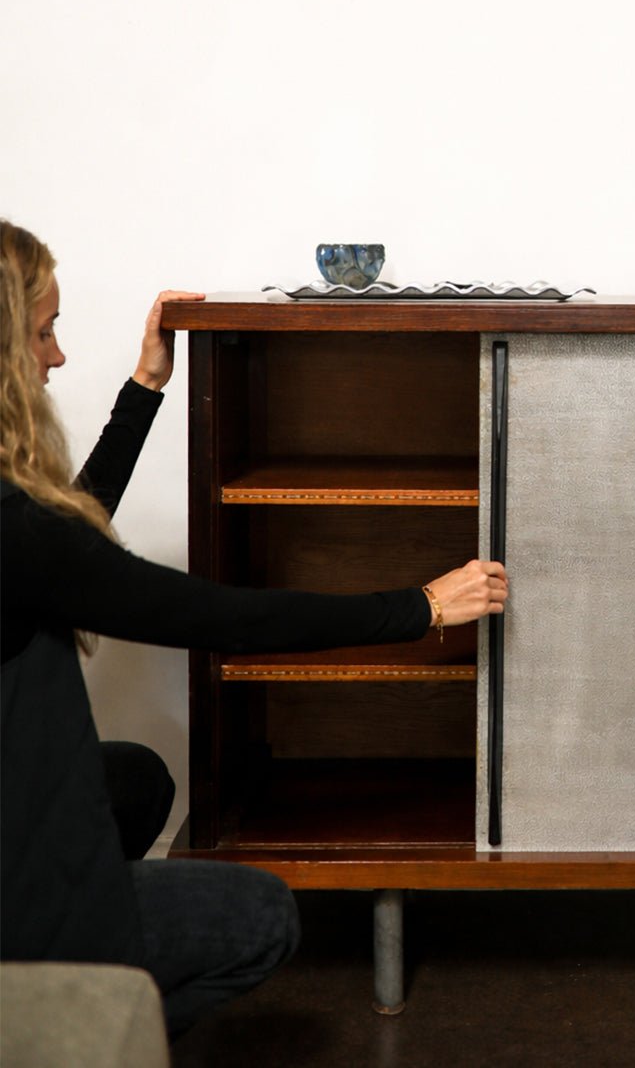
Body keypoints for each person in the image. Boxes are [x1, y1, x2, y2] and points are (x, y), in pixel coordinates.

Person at [0, 220, 508, 1037]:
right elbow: (212, 613)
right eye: (42, 331)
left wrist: (145, 386)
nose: (56, 356)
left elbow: (66, 543)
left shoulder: (19, 528)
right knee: (261, 916)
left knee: (135, 780)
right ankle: (67, 1023)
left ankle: (69, 955)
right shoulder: (11, 530)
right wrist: (418, 607)